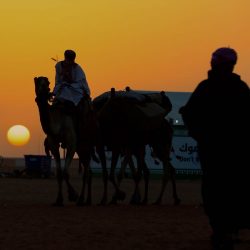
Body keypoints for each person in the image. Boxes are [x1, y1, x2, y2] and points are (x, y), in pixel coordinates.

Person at [180, 47, 250, 250]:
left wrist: (202, 135)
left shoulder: (207, 88)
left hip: (214, 150)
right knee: (233, 188)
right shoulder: (240, 89)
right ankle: (227, 229)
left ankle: (222, 230)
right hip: (234, 151)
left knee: (215, 190)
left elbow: (190, 114)